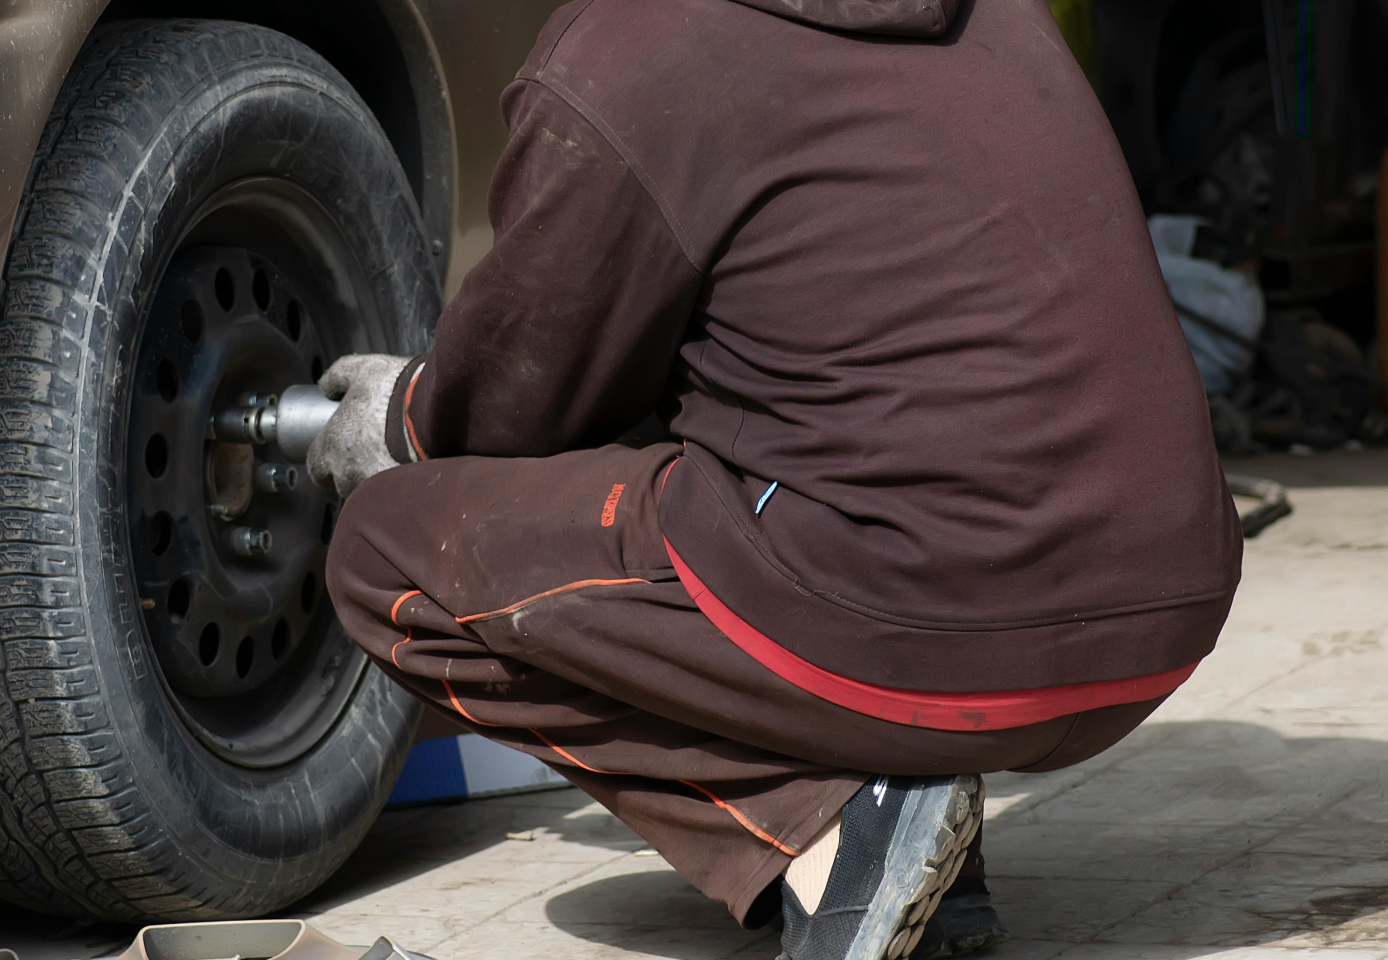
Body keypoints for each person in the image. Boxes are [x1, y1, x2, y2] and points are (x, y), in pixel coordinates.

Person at [304, 1, 1243, 957]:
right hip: (1160, 612)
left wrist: (405, 412)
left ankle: (835, 825)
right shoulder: (998, 12)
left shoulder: (636, 45)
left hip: (938, 620)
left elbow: (526, 397)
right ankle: (923, 856)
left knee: (390, 547)